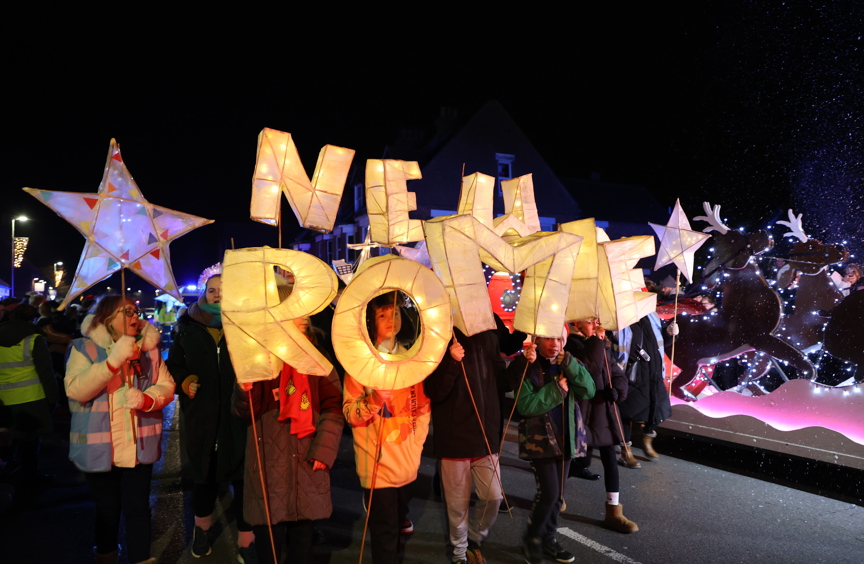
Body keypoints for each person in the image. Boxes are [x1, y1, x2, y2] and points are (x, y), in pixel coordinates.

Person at [65, 295, 175, 564]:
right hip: (100, 448)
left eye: (135, 311)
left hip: (138, 447)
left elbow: (166, 386)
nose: (135, 316)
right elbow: (76, 390)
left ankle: (140, 558)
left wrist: (146, 399)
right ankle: (106, 556)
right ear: (106, 319)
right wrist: (112, 361)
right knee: (107, 510)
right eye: (126, 312)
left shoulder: (149, 350)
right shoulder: (83, 348)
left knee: (138, 509)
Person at [167, 274, 253, 561]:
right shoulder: (187, 325)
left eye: (223, 290)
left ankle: (246, 537)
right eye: (212, 290)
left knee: (243, 477)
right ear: (205, 293)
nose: (217, 294)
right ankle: (201, 528)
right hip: (202, 415)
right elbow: (173, 365)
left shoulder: (246, 325)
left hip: (238, 414)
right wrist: (185, 380)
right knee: (204, 474)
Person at [343, 291, 431, 563]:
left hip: (407, 459)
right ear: (370, 320)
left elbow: (423, 408)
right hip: (376, 463)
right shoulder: (359, 365)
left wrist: (416, 445)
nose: (391, 320)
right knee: (385, 531)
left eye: (394, 313)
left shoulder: (412, 360)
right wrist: (373, 400)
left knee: (398, 522)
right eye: (382, 315)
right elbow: (350, 412)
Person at [507, 329, 595, 564]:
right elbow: (525, 406)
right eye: (548, 338)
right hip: (540, 441)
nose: (554, 344)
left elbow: (589, 390)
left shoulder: (570, 362)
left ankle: (549, 539)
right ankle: (532, 539)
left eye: (559, 338)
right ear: (537, 339)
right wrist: (556, 391)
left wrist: (570, 365)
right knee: (549, 493)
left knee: (558, 495)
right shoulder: (528, 364)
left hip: (567, 438)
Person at [424, 324, 506, 564]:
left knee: (493, 496)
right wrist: (450, 360)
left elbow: (503, 381)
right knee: (457, 505)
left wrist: (525, 363)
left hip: (486, 437)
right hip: (454, 438)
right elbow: (433, 391)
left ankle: (475, 539)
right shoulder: (439, 336)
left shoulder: (489, 335)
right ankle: (459, 553)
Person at [566, 318, 638, 534]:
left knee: (610, 459)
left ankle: (613, 510)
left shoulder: (601, 343)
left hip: (603, 411)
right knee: (569, 457)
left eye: (598, 321)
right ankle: (555, 497)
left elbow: (616, 372)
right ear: (578, 324)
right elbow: (591, 366)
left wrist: (618, 390)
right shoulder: (572, 344)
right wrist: (598, 342)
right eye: (590, 321)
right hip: (583, 411)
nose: (597, 325)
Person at [0, 303, 57, 490]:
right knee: (30, 442)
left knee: (8, 441)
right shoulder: (34, 339)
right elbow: (46, 373)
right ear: (32, 319)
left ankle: (10, 474)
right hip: (31, 399)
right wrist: (52, 399)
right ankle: (30, 479)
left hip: (4, 400)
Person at [617, 313, 672, 460]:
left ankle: (647, 439)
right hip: (633, 374)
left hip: (654, 373)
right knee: (626, 410)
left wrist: (669, 333)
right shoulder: (621, 317)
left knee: (658, 408)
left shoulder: (652, 316)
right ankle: (625, 449)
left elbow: (660, 342)